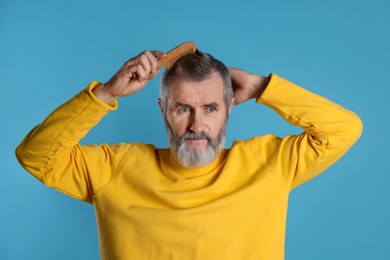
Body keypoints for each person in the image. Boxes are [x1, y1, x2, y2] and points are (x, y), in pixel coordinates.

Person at [15, 47, 363, 260]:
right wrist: (106, 92)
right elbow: (35, 155)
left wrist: (263, 88)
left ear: (229, 109)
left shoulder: (267, 164)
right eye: (183, 108)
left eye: (211, 108)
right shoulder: (116, 169)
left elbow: (344, 129)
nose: (197, 124)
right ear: (162, 110)